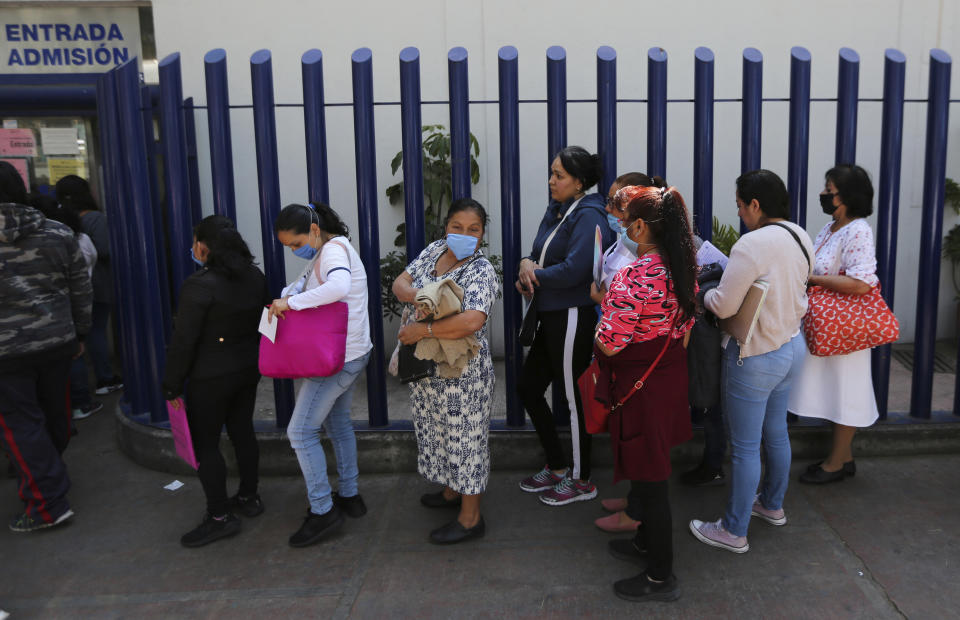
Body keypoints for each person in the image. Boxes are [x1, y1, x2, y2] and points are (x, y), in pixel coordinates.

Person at [690, 170, 813, 553]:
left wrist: (703, 295)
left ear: (755, 205)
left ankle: (733, 530)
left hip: (754, 355)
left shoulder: (752, 244)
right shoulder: (799, 234)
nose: (740, 213)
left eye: (741, 206)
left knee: (744, 448)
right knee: (776, 433)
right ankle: (772, 505)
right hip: (791, 347)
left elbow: (725, 304)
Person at [593, 186, 696, 602]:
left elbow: (612, 342)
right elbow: (685, 327)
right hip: (666, 380)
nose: (621, 224)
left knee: (651, 481)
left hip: (641, 386)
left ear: (639, 225)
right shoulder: (681, 266)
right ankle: (643, 545)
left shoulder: (635, 275)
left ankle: (659, 575)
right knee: (650, 466)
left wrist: (600, 321)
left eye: (625, 219)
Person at [393, 198, 499, 544]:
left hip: (461, 377)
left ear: (482, 235)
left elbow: (472, 320)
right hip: (427, 371)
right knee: (438, 433)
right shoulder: (435, 250)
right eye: (457, 227)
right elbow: (400, 283)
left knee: (466, 441)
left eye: (473, 229)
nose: (464, 234)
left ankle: (471, 519)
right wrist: (423, 298)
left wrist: (422, 329)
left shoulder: (481, 270)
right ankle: (452, 493)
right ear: (446, 227)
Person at [517, 146, 616, 506]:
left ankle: (581, 477)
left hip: (572, 313)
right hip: (549, 312)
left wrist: (535, 274)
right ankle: (557, 464)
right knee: (528, 387)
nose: (551, 181)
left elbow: (577, 269)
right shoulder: (558, 210)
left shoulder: (589, 214)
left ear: (580, 182)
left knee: (573, 397)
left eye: (559, 175)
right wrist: (527, 266)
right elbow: (537, 252)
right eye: (552, 172)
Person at [162, 215, 268, 547]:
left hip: (209, 377)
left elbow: (184, 341)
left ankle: (219, 516)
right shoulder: (254, 276)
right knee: (242, 431)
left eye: (195, 241)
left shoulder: (200, 284)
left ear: (203, 247)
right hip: (247, 369)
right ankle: (249, 497)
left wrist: (171, 383)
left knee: (206, 444)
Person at [271, 203, 372, 548]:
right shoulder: (332, 248)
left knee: (300, 431)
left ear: (314, 231)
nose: (292, 250)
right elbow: (303, 286)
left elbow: (338, 287)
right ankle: (350, 495)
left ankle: (323, 511)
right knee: (337, 423)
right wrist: (287, 296)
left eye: (293, 243)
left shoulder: (331, 251)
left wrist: (291, 305)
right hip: (350, 352)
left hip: (336, 359)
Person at [0, 161, 91, 532]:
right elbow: (80, 288)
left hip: (5, 354)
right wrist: (80, 334)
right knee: (56, 414)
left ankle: (46, 503)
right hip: (57, 342)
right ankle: (45, 472)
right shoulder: (56, 232)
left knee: (22, 425)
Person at [790, 165, 880, 484]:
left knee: (846, 392)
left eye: (830, 190)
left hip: (846, 326)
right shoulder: (831, 228)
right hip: (830, 325)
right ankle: (844, 457)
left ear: (848, 195)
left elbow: (862, 282)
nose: (824, 195)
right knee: (835, 388)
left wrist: (812, 279)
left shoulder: (858, 230)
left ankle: (836, 463)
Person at [589, 174, 667, 534]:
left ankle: (641, 521)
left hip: (635, 367)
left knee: (644, 449)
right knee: (639, 448)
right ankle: (638, 504)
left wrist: (603, 302)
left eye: (615, 204)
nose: (608, 211)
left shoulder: (640, 268)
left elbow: (614, 338)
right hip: (647, 369)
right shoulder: (649, 257)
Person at [30, 194, 103, 421]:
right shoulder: (66, 237)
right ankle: (78, 404)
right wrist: (80, 333)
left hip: (12, 345)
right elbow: (83, 281)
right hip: (59, 323)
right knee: (71, 363)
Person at [56, 176, 123, 396]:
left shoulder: (59, 220)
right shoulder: (95, 218)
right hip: (97, 284)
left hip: (70, 288)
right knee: (96, 333)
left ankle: (81, 391)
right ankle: (104, 378)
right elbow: (105, 249)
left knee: (78, 338)